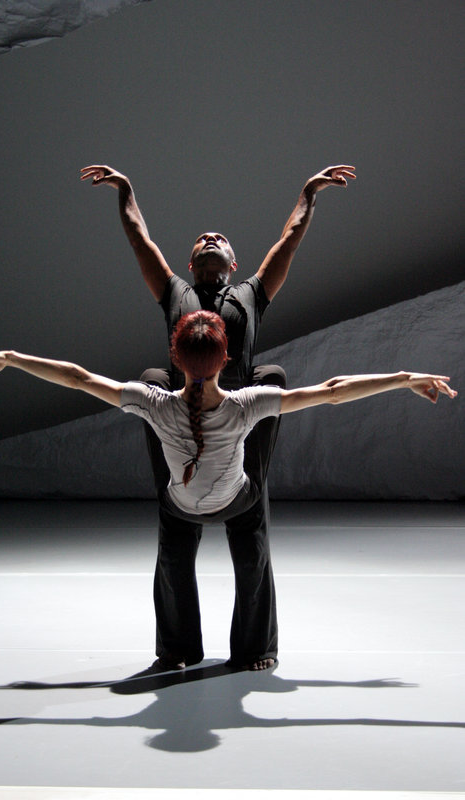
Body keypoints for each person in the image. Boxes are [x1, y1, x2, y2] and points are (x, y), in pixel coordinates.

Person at [0, 311, 457, 670]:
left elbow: (78, 379)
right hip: (238, 501)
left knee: (173, 554)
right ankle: (255, 650)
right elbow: (332, 392)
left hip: (181, 506)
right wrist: (404, 378)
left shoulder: (150, 401)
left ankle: (176, 651)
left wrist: (11, 357)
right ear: (227, 359)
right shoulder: (247, 403)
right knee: (253, 543)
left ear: (175, 357)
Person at [80, 162, 357, 670]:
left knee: (270, 377)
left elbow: (288, 241)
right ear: (191, 263)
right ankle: (179, 647)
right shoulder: (176, 294)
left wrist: (308, 194)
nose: (211, 238)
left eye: (220, 239)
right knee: (152, 380)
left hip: (239, 422)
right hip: (179, 421)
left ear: (232, 262)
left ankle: (254, 646)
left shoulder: (249, 295)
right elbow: (141, 240)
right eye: (202, 239)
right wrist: (126, 190)